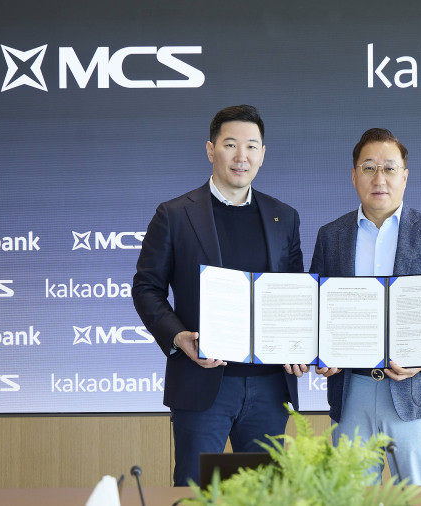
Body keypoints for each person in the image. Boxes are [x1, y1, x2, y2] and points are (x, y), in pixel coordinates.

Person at [132, 105, 304, 486]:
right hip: (202, 380)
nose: (242, 156)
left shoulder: (284, 217)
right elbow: (146, 288)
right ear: (211, 150)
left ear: (263, 154)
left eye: (252, 146)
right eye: (230, 145)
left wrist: (301, 343)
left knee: (262, 494)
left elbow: (295, 294)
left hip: (268, 386)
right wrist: (178, 336)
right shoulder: (175, 215)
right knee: (197, 491)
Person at [311, 127, 421, 486]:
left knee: (416, 499)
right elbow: (316, 309)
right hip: (351, 392)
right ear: (354, 175)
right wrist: (319, 352)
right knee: (351, 497)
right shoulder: (331, 236)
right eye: (369, 168)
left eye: (389, 168)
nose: (379, 178)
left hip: (413, 393)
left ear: (405, 176)